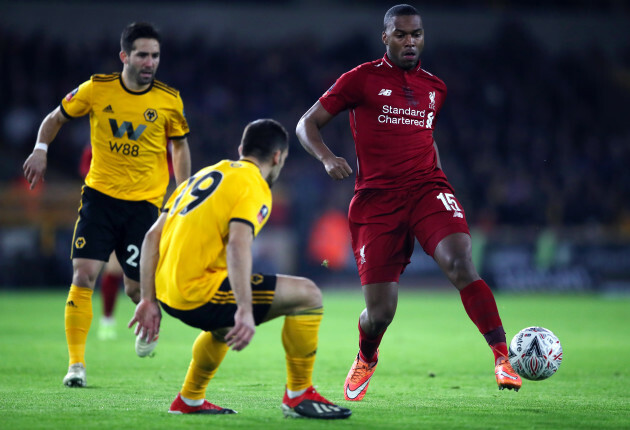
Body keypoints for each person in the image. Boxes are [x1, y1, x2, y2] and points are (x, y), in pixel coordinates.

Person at [296, 4, 522, 402]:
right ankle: (367, 355)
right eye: (400, 34)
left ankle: (503, 357)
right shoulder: (361, 79)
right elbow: (306, 123)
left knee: (460, 262)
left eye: (416, 34)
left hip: (426, 189)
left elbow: (423, 136)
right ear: (385, 37)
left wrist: (437, 176)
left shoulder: (435, 87)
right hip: (377, 200)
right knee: (380, 312)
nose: (410, 41)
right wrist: (328, 157)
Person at [129, 119, 351, 419]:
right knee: (308, 295)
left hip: (166, 290)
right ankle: (299, 395)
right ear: (277, 157)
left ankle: (189, 400)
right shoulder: (254, 185)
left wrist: (147, 298)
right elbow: (237, 245)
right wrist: (244, 309)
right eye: (282, 161)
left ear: (240, 150)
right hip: (196, 291)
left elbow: (152, 236)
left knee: (222, 328)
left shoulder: (203, 175)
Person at [22, 22, 191, 387]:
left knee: (136, 289)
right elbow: (55, 118)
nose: (150, 62)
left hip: (144, 206)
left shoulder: (168, 99)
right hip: (99, 199)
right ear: (125, 56)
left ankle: (149, 316)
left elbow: (179, 145)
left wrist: (183, 191)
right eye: (143, 54)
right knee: (83, 275)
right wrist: (40, 149)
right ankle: (76, 365)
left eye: (155, 55)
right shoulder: (97, 89)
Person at [78, 144, 124, 341]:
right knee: (113, 269)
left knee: (137, 274)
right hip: (109, 210)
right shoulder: (99, 143)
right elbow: (86, 171)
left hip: (144, 207)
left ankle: (149, 317)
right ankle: (107, 319)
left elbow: (169, 166)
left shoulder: (150, 138)